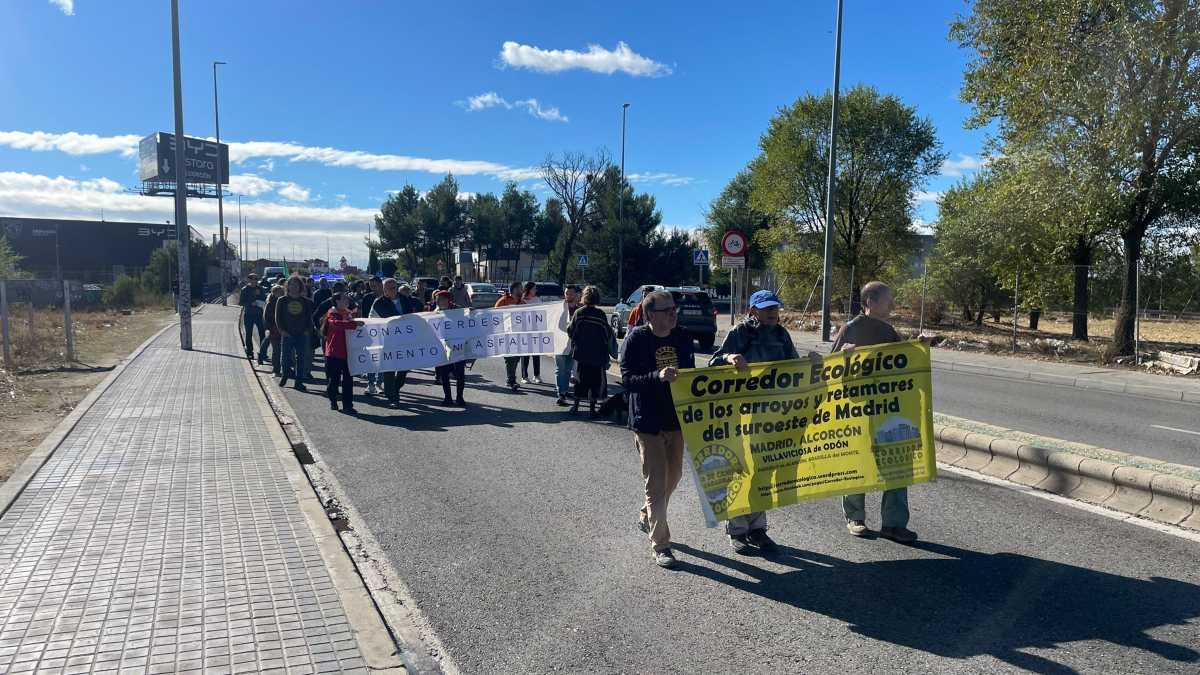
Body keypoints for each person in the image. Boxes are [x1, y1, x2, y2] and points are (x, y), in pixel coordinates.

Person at [709, 289, 808, 555]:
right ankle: (737, 529)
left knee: (765, 469)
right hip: (741, 414)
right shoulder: (740, 333)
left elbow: (794, 367)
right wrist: (728, 358)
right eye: (767, 309)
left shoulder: (781, 334)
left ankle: (758, 528)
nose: (773, 313)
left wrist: (813, 364)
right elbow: (713, 363)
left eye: (775, 308)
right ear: (753, 311)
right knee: (742, 469)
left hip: (772, 415)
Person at [831, 280, 916, 544]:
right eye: (887, 299)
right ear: (870, 302)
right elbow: (828, 373)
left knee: (897, 464)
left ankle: (894, 524)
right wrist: (844, 358)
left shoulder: (888, 331)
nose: (892, 304)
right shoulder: (850, 330)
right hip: (858, 411)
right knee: (857, 464)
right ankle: (855, 518)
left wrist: (919, 346)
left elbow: (906, 361)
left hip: (888, 412)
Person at [619, 290, 695, 569]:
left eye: (675, 309)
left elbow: (694, 375)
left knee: (673, 477)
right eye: (667, 310)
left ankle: (645, 514)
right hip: (647, 423)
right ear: (651, 315)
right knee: (656, 484)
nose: (674, 313)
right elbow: (627, 380)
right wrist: (657, 376)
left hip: (676, 421)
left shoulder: (683, 337)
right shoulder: (636, 340)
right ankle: (661, 545)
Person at [566, 286, 614, 417]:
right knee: (594, 382)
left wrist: (577, 340)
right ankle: (592, 410)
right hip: (598, 355)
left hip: (581, 353)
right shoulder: (601, 314)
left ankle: (575, 407)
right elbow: (607, 334)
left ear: (584, 297)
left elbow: (571, 331)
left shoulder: (579, 313)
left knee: (580, 380)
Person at [370, 278, 414, 407]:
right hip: (387, 340)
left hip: (405, 339)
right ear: (384, 290)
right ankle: (393, 398)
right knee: (389, 369)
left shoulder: (405, 299)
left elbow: (412, 315)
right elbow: (373, 319)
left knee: (404, 368)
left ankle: (395, 387)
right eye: (389, 288)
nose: (393, 290)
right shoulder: (378, 303)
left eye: (394, 287)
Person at [322, 292, 364, 413]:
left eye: (347, 299)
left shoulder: (348, 313)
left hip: (348, 352)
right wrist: (354, 324)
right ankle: (333, 401)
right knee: (334, 380)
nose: (347, 301)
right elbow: (336, 324)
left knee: (348, 380)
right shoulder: (332, 313)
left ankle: (348, 405)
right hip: (334, 352)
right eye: (344, 299)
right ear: (337, 301)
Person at [276, 275, 315, 391]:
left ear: (300, 287)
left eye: (296, 285)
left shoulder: (306, 301)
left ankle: (299, 381)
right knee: (285, 358)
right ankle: (285, 374)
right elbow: (278, 317)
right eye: (291, 284)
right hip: (287, 333)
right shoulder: (282, 300)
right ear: (287, 286)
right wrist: (282, 331)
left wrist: (308, 331)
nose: (294, 287)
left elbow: (310, 318)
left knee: (301, 358)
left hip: (302, 334)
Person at [431, 290, 468, 406]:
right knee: (444, 373)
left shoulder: (458, 310)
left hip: (458, 346)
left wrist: (471, 312)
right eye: (436, 299)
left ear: (447, 300)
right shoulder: (435, 312)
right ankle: (448, 398)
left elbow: (468, 322)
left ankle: (459, 397)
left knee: (460, 374)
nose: (437, 301)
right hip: (443, 347)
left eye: (440, 299)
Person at [495, 281, 525, 391]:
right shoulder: (503, 301)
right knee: (510, 359)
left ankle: (511, 379)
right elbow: (495, 317)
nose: (522, 290)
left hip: (518, 337)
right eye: (520, 288)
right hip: (506, 336)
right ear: (514, 290)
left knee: (516, 359)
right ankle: (511, 380)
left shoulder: (523, 303)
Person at [554, 285, 582, 405]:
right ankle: (560, 393)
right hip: (560, 344)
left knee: (568, 370)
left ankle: (564, 390)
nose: (568, 296)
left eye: (570, 293)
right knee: (560, 369)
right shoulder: (559, 308)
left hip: (573, 344)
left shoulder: (579, 309)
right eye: (566, 293)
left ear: (576, 295)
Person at [238, 274, 269, 364]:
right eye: (252, 279)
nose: (254, 280)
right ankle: (250, 351)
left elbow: (265, 299)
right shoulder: (245, 290)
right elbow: (241, 303)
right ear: (249, 280)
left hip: (259, 315)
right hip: (249, 315)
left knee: (262, 334)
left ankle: (263, 353)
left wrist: (260, 300)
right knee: (248, 334)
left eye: (256, 279)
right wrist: (251, 303)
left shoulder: (260, 289)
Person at [520, 281, 543, 384]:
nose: (536, 290)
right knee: (525, 355)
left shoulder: (538, 300)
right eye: (534, 288)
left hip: (536, 331)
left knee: (536, 354)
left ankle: (537, 375)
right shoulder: (522, 301)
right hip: (525, 331)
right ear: (528, 289)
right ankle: (524, 376)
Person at [264, 284, 285, 376]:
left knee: (284, 351)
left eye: (281, 292)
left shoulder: (284, 302)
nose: (279, 293)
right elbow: (266, 317)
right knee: (276, 350)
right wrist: (270, 328)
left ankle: (285, 369)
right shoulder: (270, 303)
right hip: (274, 330)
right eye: (278, 292)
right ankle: (276, 369)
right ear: (273, 293)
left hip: (284, 330)